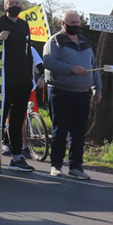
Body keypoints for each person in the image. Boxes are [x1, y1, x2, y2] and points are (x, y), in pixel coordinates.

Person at [42, 11, 102, 180]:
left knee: (78, 131)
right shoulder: (55, 41)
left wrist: (98, 89)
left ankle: (76, 166)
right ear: (63, 23)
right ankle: (56, 165)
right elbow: (48, 62)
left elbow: (93, 65)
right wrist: (70, 68)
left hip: (82, 93)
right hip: (61, 91)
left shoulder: (84, 41)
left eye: (77, 22)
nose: (75, 25)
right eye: (72, 22)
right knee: (60, 130)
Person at [0, 0, 36, 174]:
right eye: (11, 3)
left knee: (17, 119)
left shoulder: (24, 25)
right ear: (5, 6)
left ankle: (16, 156)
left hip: (22, 79)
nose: (15, 5)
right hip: (2, 78)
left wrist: (31, 76)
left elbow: (27, 51)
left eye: (18, 3)